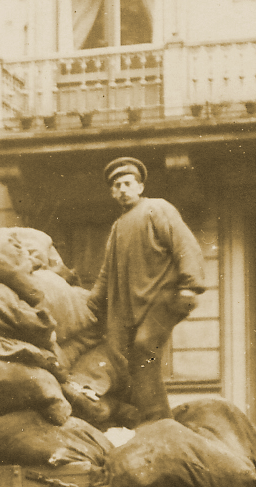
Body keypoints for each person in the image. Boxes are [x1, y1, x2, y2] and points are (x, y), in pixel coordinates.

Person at [85, 156, 204, 424]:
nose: (123, 189)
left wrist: (189, 285)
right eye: (117, 186)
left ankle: (158, 420)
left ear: (140, 187)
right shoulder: (117, 228)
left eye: (128, 183)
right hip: (131, 307)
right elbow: (107, 272)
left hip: (165, 296)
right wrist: (92, 302)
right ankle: (150, 416)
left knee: (144, 346)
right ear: (112, 193)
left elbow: (184, 244)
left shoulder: (157, 208)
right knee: (125, 357)